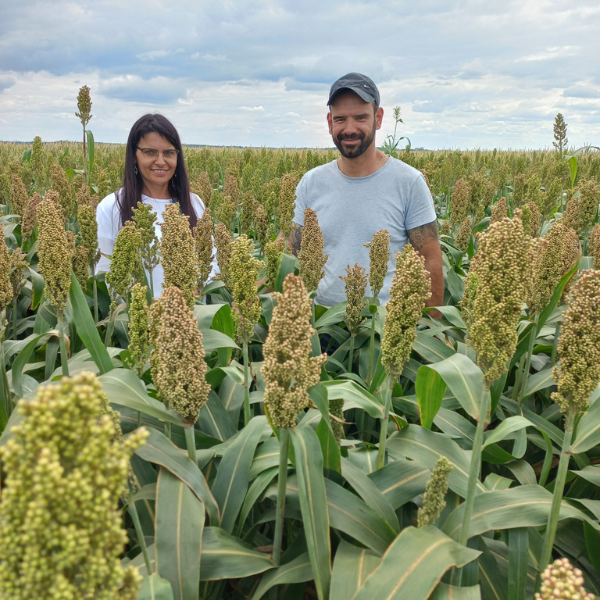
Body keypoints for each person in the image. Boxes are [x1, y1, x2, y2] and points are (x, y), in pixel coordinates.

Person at [289, 73, 443, 314]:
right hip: (321, 327)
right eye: (340, 119)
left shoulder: (408, 182)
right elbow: (291, 253)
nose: (349, 129)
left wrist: (432, 328)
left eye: (360, 117)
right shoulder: (312, 183)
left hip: (383, 328)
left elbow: (429, 258)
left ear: (378, 118)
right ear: (330, 122)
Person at [96, 113, 208, 295]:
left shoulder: (194, 203)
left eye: (169, 153)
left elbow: (211, 263)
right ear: (134, 155)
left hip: (191, 318)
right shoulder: (111, 207)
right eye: (150, 152)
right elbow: (103, 276)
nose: (161, 161)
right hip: (136, 320)